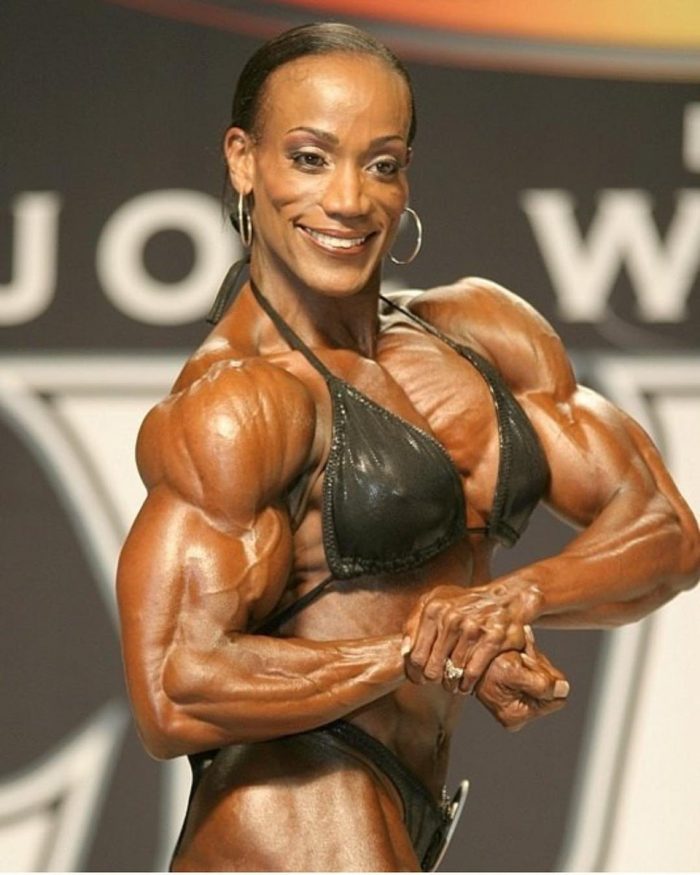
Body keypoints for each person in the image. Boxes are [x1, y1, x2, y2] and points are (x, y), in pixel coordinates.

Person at [116, 22, 700, 872]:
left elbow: (666, 532)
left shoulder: (480, 333)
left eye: (381, 164)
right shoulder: (240, 402)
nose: (349, 199)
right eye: (310, 158)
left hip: (404, 805)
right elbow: (174, 685)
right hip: (290, 812)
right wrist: (419, 651)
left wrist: (510, 601)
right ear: (243, 161)